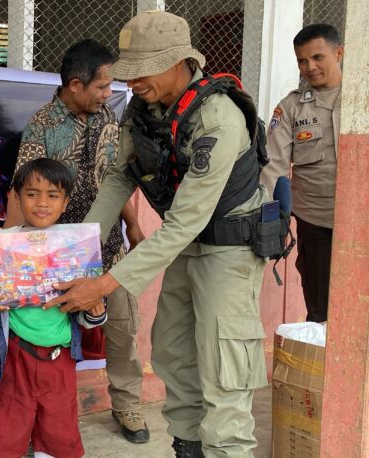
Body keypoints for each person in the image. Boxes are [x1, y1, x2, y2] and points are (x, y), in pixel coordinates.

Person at [47, 12, 270, 457]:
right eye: (128, 71)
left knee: (223, 374)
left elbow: (183, 222)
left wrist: (103, 285)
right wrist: (77, 250)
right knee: (174, 355)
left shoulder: (219, 119)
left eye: (142, 70)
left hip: (228, 251)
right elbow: (119, 178)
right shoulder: (143, 110)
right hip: (185, 248)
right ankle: (187, 447)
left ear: (179, 62)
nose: (132, 82)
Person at [6, 38, 149, 443]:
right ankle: (35, 424)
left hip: (109, 250)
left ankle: (127, 404)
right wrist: (9, 249)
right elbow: (22, 190)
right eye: (102, 86)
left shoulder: (109, 118)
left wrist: (134, 226)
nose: (108, 93)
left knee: (121, 328)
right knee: (43, 336)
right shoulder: (42, 126)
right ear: (75, 84)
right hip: (57, 258)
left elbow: (114, 180)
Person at [0, 158, 108, 458]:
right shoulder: (2, 247)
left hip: (60, 358)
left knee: (58, 428)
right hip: (15, 356)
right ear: (17, 198)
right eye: (32, 194)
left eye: (53, 195)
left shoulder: (75, 249)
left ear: (65, 203)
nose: (42, 203)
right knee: (7, 427)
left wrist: (94, 312)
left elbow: (86, 309)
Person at [261, 23, 343, 323]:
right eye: (302, 61)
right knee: (320, 311)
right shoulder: (291, 108)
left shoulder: (362, 96)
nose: (310, 67)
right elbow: (272, 167)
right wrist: (266, 220)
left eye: (318, 57)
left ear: (339, 53)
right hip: (316, 221)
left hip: (362, 221)